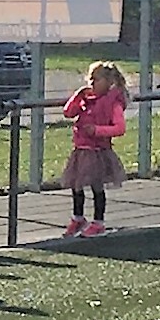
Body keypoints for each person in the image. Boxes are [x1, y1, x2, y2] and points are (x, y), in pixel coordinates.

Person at [58, 62, 129, 240]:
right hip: (81, 149)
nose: (91, 83)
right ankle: (78, 218)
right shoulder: (86, 99)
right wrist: (77, 96)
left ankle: (98, 222)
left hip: (98, 151)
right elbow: (68, 112)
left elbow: (119, 128)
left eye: (95, 80)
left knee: (97, 187)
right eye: (90, 79)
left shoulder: (113, 103)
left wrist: (97, 130)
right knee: (76, 185)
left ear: (108, 81)